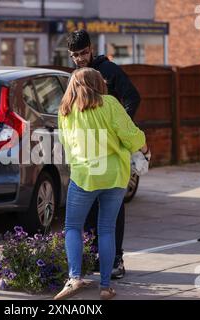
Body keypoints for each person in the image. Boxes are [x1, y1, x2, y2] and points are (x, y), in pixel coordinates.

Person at [54, 68, 148, 300]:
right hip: (114, 175)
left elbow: (67, 145)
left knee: (73, 227)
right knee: (107, 229)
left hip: (85, 175)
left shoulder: (65, 109)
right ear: (99, 83)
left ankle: (74, 278)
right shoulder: (110, 103)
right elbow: (130, 135)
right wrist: (143, 149)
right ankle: (105, 287)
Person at [66, 29, 146, 279]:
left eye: (83, 53)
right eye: (75, 55)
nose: (80, 58)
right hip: (88, 156)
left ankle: (116, 261)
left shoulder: (108, 71)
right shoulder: (75, 77)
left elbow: (133, 96)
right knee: (89, 211)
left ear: (91, 49)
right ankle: (93, 257)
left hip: (111, 151)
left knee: (112, 212)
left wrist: (121, 130)